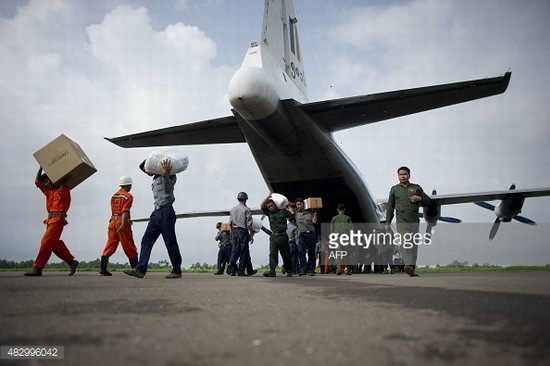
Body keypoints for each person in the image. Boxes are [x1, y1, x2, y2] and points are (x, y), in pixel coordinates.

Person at [124, 159, 183, 279]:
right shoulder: (155, 179)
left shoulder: (170, 176)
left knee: (170, 242)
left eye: (147, 169)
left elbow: (167, 190)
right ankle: (140, 269)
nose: (146, 172)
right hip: (156, 212)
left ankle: (176, 270)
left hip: (166, 211)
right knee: (146, 239)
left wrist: (165, 173)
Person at [25, 167, 79, 276]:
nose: (45, 184)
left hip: (58, 221)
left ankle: (38, 268)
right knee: (53, 244)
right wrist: (40, 167)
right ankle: (71, 262)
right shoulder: (48, 191)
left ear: (53, 180)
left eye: (47, 181)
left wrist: (62, 181)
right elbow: (37, 181)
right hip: (49, 221)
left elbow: (62, 191)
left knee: (45, 243)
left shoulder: (65, 189)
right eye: (44, 182)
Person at [384, 166, 430, 277]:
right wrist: (387, 222)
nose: (402, 176)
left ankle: (412, 268)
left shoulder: (416, 188)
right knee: (405, 242)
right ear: (398, 176)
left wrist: (419, 199)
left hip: (414, 220)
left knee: (414, 244)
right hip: (401, 220)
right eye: (400, 174)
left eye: (405, 174)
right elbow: (390, 207)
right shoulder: (394, 189)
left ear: (409, 175)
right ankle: (407, 264)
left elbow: (428, 200)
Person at [99, 175, 138, 276]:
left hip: (112, 222)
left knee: (110, 245)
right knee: (129, 246)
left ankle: (103, 269)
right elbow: (125, 211)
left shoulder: (114, 196)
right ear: (128, 185)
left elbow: (114, 210)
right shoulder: (128, 196)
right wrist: (124, 223)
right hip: (121, 222)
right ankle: (136, 269)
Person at [260, 194, 294, 277]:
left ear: (275, 205)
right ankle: (272, 270)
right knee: (272, 254)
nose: (270, 207)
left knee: (286, 254)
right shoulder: (269, 213)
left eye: (271, 205)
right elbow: (261, 205)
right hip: (274, 236)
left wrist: (288, 206)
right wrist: (268, 196)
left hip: (283, 236)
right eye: (268, 207)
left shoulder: (282, 211)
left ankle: (289, 270)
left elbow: (292, 216)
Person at [228, 192, 256, 276]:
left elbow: (230, 223)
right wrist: (251, 235)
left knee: (235, 249)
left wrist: (232, 233)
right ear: (245, 199)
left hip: (235, 230)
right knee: (244, 251)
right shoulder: (246, 209)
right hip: (243, 231)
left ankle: (231, 262)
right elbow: (249, 224)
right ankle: (241, 270)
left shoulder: (232, 209)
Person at [290, 198, 318, 276]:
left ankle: (311, 270)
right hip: (302, 235)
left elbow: (314, 221)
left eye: (300, 204)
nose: (299, 206)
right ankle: (303, 269)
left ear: (304, 204)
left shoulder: (310, 212)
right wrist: (293, 204)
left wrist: (315, 213)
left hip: (311, 234)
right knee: (300, 252)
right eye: (297, 204)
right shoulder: (295, 213)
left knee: (311, 252)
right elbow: (287, 206)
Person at [330, 203, 354, 275]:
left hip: (337, 238)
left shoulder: (334, 219)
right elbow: (351, 230)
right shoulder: (348, 218)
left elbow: (331, 230)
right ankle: (348, 270)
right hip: (346, 238)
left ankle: (338, 269)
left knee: (338, 254)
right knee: (348, 253)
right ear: (344, 209)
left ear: (337, 210)